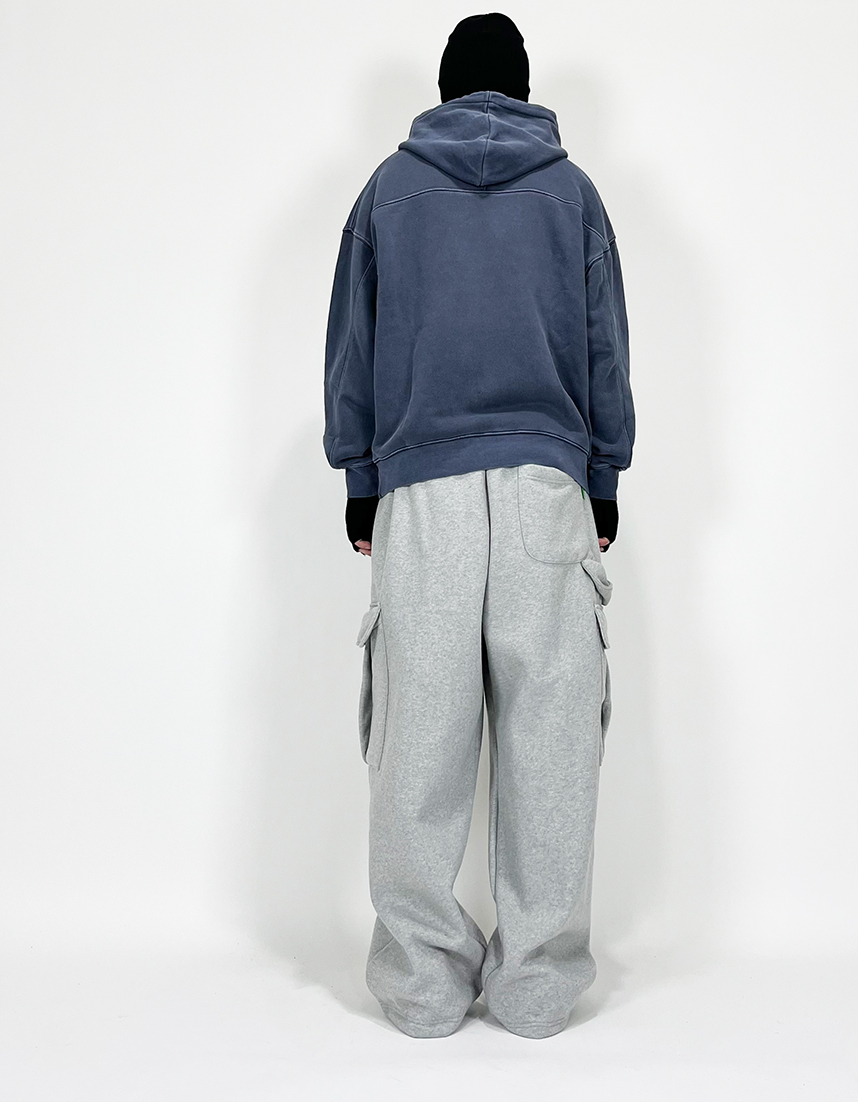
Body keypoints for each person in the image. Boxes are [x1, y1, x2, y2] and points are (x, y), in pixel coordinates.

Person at [323, 13, 634, 1039]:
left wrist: (362, 480)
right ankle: (538, 990)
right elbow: (603, 344)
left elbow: (354, 344)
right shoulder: (572, 193)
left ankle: (420, 990)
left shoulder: (387, 192)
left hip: (423, 494)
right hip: (547, 489)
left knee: (417, 745)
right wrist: (602, 478)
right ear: (525, 90)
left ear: (446, 88)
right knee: (552, 744)